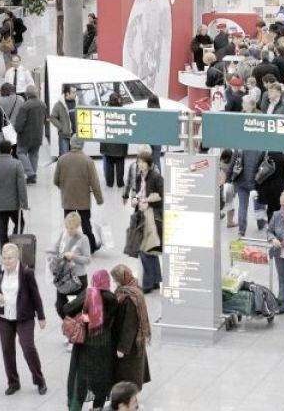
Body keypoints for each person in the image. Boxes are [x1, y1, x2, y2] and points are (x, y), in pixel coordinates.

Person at [0, 243, 47, 396]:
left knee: (28, 347)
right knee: (7, 349)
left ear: (17, 258)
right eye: (4, 258)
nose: (6, 261)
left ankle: (39, 380)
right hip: (5, 317)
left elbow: (35, 295)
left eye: (9, 258)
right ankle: (13, 382)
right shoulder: (0, 271)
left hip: (24, 317)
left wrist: (41, 316)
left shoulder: (26, 273)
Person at [64, 270, 117, 411]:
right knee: (101, 379)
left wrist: (83, 314)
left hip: (86, 345)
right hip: (105, 346)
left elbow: (67, 309)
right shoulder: (112, 298)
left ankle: (75, 407)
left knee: (80, 380)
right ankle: (97, 408)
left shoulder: (88, 294)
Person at [53, 138, 104, 253]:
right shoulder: (88, 161)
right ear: (82, 145)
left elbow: (55, 180)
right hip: (83, 200)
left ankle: (67, 246)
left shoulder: (62, 160)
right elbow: (94, 182)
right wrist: (99, 199)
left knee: (69, 225)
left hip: (68, 199)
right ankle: (91, 246)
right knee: (86, 224)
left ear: (71, 144)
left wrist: (64, 187)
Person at [127, 150, 164, 293]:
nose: (139, 165)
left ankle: (148, 283)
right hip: (141, 215)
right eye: (138, 162)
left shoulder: (156, 177)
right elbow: (137, 193)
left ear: (148, 164)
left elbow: (162, 196)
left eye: (142, 162)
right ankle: (155, 280)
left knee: (144, 249)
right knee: (149, 249)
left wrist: (149, 203)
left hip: (152, 217)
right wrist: (135, 200)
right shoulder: (139, 177)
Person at [110, 265, 151, 390]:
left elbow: (130, 326)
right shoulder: (133, 289)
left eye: (115, 279)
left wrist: (122, 348)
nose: (114, 282)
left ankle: (131, 400)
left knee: (128, 374)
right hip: (135, 343)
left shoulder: (129, 298)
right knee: (131, 374)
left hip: (130, 346)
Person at [0, 140, 29, 249]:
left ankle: (4, 250)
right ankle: (13, 245)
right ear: (11, 150)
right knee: (20, 223)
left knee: (1, 228)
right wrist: (24, 203)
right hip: (14, 204)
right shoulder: (17, 164)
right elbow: (21, 186)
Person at [51, 212, 91, 318]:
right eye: (68, 227)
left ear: (78, 226)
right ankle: (70, 326)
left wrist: (73, 256)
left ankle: (78, 329)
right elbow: (55, 249)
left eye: (72, 228)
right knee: (59, 305)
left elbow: (87, 260)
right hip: (64, 277)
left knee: (75, 307)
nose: (69, 230)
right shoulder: (63, 235)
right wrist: (55, 257)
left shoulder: (83, 239)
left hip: (77, 279)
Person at [13, 85, 47, 184]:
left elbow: (19, 122)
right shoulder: (43, 104)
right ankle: (33, 175)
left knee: (20, 152)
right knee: (34, 154)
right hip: (38, 134)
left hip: (25, 135)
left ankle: (30, 173)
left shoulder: (25, 106)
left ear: (27, 94)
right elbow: (44, 120)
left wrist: (16, 130)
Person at [226, 148, 263, 236]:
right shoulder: (261, 147)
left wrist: (228, 178)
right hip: (256, 180)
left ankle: (241, 230)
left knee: (242, 206)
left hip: (241, 180)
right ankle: (260, 223)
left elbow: (232, 163)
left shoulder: (239, 146)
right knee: (259, 202)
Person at [101, 93, 129, 188]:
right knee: (120, 164)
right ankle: (120, 183)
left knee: (109, 165)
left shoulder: (104, 111)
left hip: (108, 144)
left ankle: (109, 183)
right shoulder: (124, 113)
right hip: (120, 145)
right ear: (118, 100)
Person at [50, 84, 77, 157]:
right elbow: (52, 118)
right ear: (67, 93)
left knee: (75, 158)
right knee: (64, 158)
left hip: (76, 136)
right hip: (64, 136)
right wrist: (61, 127)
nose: (75, 94)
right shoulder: (59, 104)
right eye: (73, 92)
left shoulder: (77, 102)